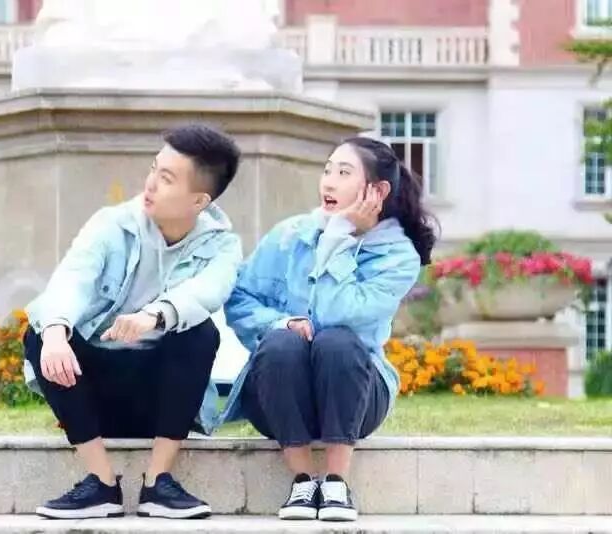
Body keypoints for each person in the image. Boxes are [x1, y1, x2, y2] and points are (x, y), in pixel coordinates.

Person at [22, 123, 242, 520]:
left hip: (160, 399)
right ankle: (101, 483)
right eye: (154, 168)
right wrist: (55, 331)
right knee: (40, 333)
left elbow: (207, 292)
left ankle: (159, 483)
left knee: (200, 331)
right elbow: (73, 276)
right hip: (96, 394)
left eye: (167, 178)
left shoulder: (222, 246)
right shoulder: (113, 224)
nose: (151, 183)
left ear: (199, 200)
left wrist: (153, 315)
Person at [220, 136, 437, 522]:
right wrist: (280, 322)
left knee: (336, 341)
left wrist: (337, 239)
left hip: (356, 399)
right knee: (283, 341)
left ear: (377, 191)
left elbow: (341, 315)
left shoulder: (397, 256)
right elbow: (239, 298)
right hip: (278, 395)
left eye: (343, 172)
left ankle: (336, 482)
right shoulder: (291, 235)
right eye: (327, 170)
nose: (329, 182)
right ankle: (302, 481)